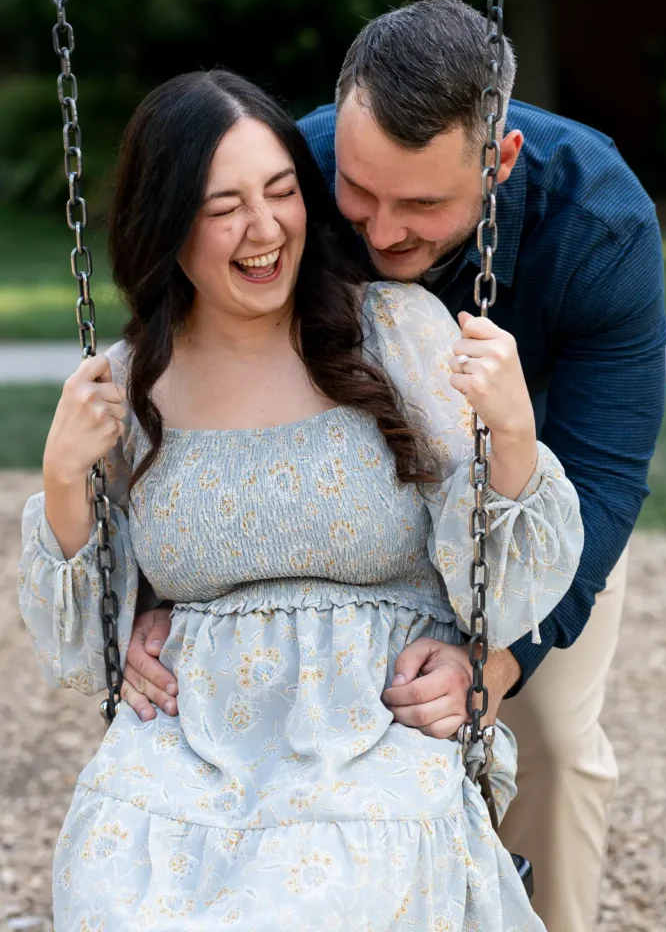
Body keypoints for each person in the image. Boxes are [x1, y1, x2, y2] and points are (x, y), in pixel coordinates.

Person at [123, 0, 666, 931]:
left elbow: (605, 476)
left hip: (527, 510)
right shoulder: (297, 172)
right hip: (362, 504)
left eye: (422, 205)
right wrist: (149, 598)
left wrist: (494, 662)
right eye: (360, 194)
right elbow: (193, 371)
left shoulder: (599, 225)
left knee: (549, 744)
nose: (378, 235)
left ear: (496, 164)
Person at [18, 69, 583, 930]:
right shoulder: (131, 385)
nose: (264, 228)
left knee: (318, 901)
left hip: (375, 721)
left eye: (281, 192)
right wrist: (65, 477)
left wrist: (508, 436)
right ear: (166, 225)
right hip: (194, 734)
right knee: (106, 890)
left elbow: (498, 588)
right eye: (223, 206)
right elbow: (86, 636)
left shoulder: (394, 331)